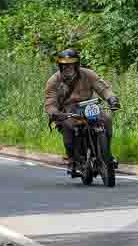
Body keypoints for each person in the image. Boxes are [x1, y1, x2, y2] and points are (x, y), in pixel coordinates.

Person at [44, 48, 121, 176]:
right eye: (64, 65)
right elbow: (50, 101)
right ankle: (72, 160)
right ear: (60, 65)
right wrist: (54, 112)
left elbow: (103, 88)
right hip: (67, 110)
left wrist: (111, 99)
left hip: (88, 105)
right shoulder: (54, 81)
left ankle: (107, 154)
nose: (68, 67)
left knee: (106, 119)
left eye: (71, 64)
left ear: (77, 64)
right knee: (68, 130)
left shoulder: (88, 74)